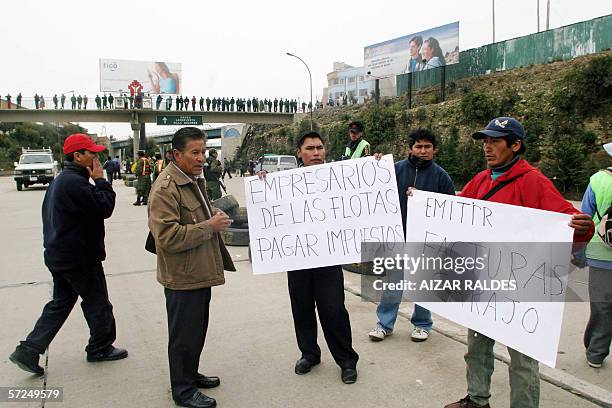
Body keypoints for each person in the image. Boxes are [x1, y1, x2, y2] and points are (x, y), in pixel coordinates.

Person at [444, 117, 594, 408]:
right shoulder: (480, 180)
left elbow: (567, 226)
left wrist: (582, 227)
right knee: (476, 349)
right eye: (485, 141)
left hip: (522, 289)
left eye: (495, 141)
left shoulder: (535, 182)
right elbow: (457, 214)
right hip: (483, 284)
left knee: (523, 361)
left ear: (515, 145)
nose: (487, 147)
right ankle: (477, 399)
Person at [9, 133, 127, 376]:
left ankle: (28, 349)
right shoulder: (76, 183)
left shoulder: (63, 180)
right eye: (91, 152)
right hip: (79, 257)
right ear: (78, 156)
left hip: (59, 255)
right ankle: (100, 347)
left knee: (60, 303)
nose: (96, 157)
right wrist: (101, 181)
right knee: (98, 303)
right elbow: (105, 207)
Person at [258, 131, 359, 384]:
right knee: (302, 310)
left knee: (334, 310)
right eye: (310, 148)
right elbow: (270, 206)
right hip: (297, 260)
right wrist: (262, 182)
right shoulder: (284, 181)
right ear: (299, 153)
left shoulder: (340, 177)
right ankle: (309, 354)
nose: (316, 153)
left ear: (325, 151)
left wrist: (376, 164)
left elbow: (365, 187)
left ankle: (347, 361)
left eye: (320, 148)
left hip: (328, 260)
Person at [148, 127, 234, 408]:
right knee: (183, 336)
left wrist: (214, 216)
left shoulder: (190, 180)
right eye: (194, 153)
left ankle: (190, 374)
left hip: (198, 272)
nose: (201, 159)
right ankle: (183, 391)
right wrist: (209, 226)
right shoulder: (165, 188)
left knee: (195, 331)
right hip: (182, 276)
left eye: (202, 152)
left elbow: (196, 217)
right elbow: (168, 237)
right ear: (176, 154)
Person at [368, 129, 455, 343]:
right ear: (411, 148)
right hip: (398, 237)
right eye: (418, 146)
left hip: (427, 241)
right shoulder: (394, 170)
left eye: (427, 147)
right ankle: (384, 324)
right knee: (392, 283)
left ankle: (422, 324)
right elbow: (372, 186)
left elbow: (451, 208)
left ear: (434, 150)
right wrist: (375, 164)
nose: (423, 151)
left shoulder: (441, 177)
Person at [580, 142, 612, 369]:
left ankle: (596, 353)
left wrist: (578, 251)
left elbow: (584, 217)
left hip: (601, 253)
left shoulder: (598, 180)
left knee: (602, 306)